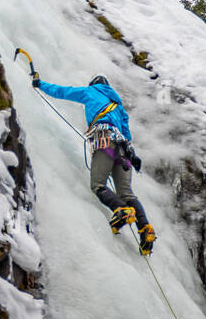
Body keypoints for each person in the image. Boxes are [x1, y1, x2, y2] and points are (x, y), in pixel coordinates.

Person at [31, 70, 156, 255]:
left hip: (104, 140)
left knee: (98, 185)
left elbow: (63, 91)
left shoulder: (90, 92)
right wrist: (132, 155)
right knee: (127, 193)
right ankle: (145, 229)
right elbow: (127, 135)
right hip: (124, 150)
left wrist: (39, 84)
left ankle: (121, 210)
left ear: (94, 84)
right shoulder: (118, 106)